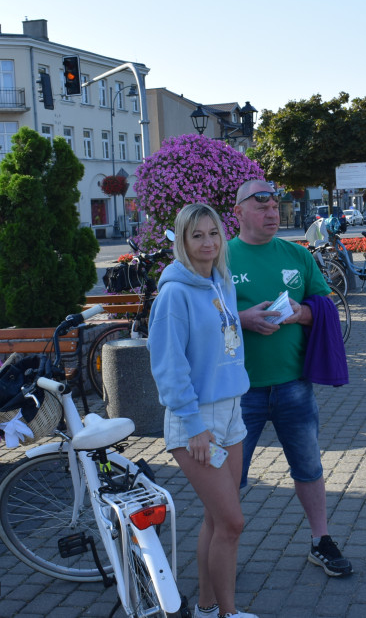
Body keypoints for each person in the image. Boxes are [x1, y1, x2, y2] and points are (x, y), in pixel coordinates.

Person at [228, 179, 354, 578]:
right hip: (237, 391)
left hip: (293, 385)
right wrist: (242, 320)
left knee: (308, 466)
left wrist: (300, 314)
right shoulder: (219, 257)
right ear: (239, 213)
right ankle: (223, 547)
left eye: (274, 205)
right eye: (260, 204)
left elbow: (324, 307)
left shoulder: (296, 255)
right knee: (231, 479)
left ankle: (321, 539)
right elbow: (197, 317)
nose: (271, 212)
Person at [148, 203, 257, 618]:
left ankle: (208, 608)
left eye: (214, 233)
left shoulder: (221, 282)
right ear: (182, 240)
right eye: (198, 236)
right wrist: (195, 427)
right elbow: (169, 368)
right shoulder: (174, 293)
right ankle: (228, 615)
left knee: (216, 520)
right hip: (198, 420)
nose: (208, 242)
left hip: (232, 414)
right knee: (232, 524)